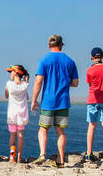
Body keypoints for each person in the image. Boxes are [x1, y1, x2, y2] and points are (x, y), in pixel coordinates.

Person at [30, 34, 79, 165]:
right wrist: (64, 83)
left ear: (49, 45)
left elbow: (38, 81)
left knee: (43, 129)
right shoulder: (70, 61)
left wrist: (34, 100)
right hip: (63, 101)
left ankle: (42, 155)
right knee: (60, 131)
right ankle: (61, 159)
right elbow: (75, 83)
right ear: (61, 45)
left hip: (48, 102)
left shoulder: (44, 60)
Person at [84, 46, 103, 161]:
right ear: (102, 56)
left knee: (92, 125)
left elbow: (89, 84)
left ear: (92, 57)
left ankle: (89, 153)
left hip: (93, 99)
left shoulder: (90, 70)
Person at [4, 64, 30, 162]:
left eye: (11, 72)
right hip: (22, 115)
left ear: (15, 73)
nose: (10, 74)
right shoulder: (25, 85)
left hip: (12, 114)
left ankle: (12, 156)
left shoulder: (9, 84)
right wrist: (26, 81)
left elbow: (6, 95)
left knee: (12, 136)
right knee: (20, 135)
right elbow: (27, 97)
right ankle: (19, 157)